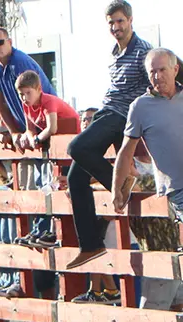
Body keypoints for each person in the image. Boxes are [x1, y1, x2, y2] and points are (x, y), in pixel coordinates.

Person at [64, 0, 153, 270]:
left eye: (120, 21)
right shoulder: (116, 52)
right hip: (107, 112)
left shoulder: (143, 51)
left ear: (130, 20)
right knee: (75, 177)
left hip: (123, 116)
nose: (116, 27)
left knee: (76, 147)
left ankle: (120, 182)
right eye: (111, 23)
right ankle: (91, 244)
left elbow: (156, 84)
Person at [112, 47, 183, 322]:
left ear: (175, 69)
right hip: (176, 196)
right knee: (164, 289)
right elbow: (126, 152)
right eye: (152, 71)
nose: (157, 76)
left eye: (162, 70)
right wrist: (116, 193)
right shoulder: (140, 107)